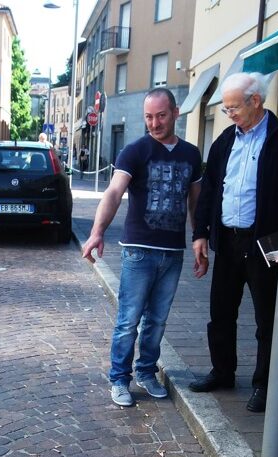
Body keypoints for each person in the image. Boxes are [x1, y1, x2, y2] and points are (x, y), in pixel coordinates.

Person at [82, 88, 204, 407]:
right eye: (148, 117)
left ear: (176, 113)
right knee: (128, 320)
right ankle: (119, 379)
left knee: (158, 320)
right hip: (138, 251)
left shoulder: (191, 155)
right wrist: (97, 232)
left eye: (161, 115)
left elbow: (196, 202)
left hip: (172, 253)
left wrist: (199, 239)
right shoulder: (135, 151)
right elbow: (113, 192)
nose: (154, 123)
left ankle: (146, 372)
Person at [189, 72, 278, 413]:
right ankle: (223, 371)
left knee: (268, 319)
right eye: (226, 108)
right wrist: (201, 233)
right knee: (220, 312)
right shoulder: (224, 142)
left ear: (256, 102)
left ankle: (265, 385)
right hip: (229, 241)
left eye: (233, 107)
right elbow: (209, 191)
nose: (229, 113)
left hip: (266, 243)